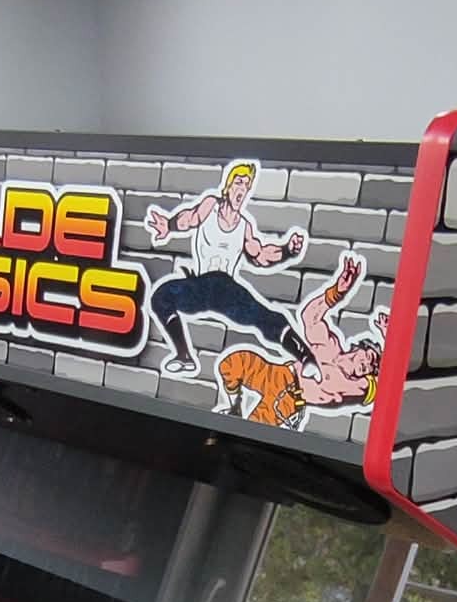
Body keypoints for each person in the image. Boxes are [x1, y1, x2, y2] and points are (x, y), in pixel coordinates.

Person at [146, 161, 309, 373]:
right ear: (228, 186)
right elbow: (191, 218)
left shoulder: (244, 226)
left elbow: (261, 255)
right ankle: (183, 355)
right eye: (239, 182)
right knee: (161, 296)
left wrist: (287, 250)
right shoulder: (211, 205)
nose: (242, 189)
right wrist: (169, 225)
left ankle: (307, 358)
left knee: (268, 318)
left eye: (246, 185)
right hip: (201, 287)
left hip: (227, 291)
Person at [215, 255, 383, 429]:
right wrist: (336, 293)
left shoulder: (357, 386)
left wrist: (388, 338)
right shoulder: (329, 345)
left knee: (250, 431)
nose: (369, 365)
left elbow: (386, 388)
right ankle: (235, 408)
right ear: (360, 347)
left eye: (373, 368)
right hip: (279, 375)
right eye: (370, 358)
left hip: (288, 401)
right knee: (232, 364)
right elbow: (310, 316)